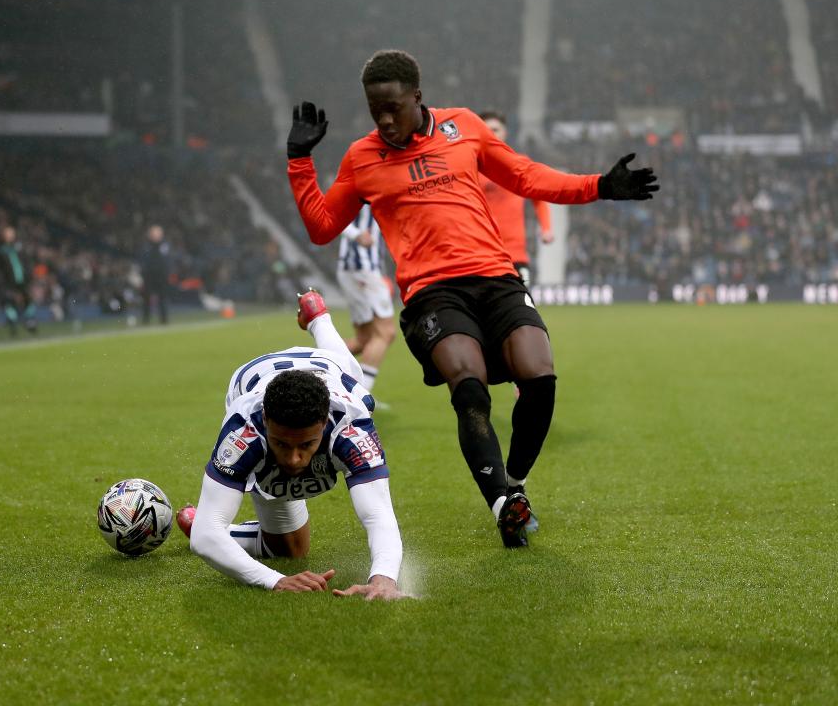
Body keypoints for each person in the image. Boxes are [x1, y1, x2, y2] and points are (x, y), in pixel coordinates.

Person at [286, 49, 657, 547]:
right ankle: (502, 503)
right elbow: (321, 227)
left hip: (496, 278)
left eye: (394, 106)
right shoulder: (362, 157)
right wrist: (300, 161)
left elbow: (525, 176)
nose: (386, 119)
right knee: (469, 387)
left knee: (540, 377)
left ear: (418, 97)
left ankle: (515, 483)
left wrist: (600, 186)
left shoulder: (464, 126)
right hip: (432, 293)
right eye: (376, 110)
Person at [176, 289, 405, 600]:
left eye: (306, 445)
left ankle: (318, 318)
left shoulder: (351, 428)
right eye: (282, 444)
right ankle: (206, 518)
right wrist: (275, 580)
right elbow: (204, 540)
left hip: (330, 369)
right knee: (290, 550)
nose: (295, 459)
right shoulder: (245, 431)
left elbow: (378, 514)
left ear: (324, 424)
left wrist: (384, 579)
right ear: (267, 421)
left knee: (353, 375)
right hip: (252, 378)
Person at [479, 110, 553, 284]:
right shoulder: (470, 165)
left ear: (505, 132)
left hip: (515, 253)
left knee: (523, 307)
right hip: (482, 254)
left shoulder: (520, 162)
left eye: (495, 129)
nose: (491, 133)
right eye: (486, 129)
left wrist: (546, 228)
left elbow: (538, 196)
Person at [335, 202, 396, 392]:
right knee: (385, 333)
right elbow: (330, 212)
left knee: (364, 339)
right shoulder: (363, 181)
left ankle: (314, 368)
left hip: (358, 268)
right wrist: (356, 235)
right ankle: (360, 395)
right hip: (362, 268)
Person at [0, 225, 37, 335]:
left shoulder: (19, 247)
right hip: (8, 282)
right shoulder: (0, 250)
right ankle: (13, 324)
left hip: (22, 279)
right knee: (9, 302)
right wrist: (1, 282)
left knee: (29, 300)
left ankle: (29, 321)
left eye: (11, 233)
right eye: (7, 233)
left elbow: (26, 262)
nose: (10, 236)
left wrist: (29, 275)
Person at [139, 224, 171, 325]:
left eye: (158, 233)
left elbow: (168, 260)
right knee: (147, 299)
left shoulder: (165, 245)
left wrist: (167, 272)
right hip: (149, 276)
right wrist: (143, 273)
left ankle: (164, 319)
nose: (156, 235)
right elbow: (142, 260)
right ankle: (146, 320)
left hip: (162, 276)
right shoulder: (146, 246)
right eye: (154, 233)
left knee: (163, 298)